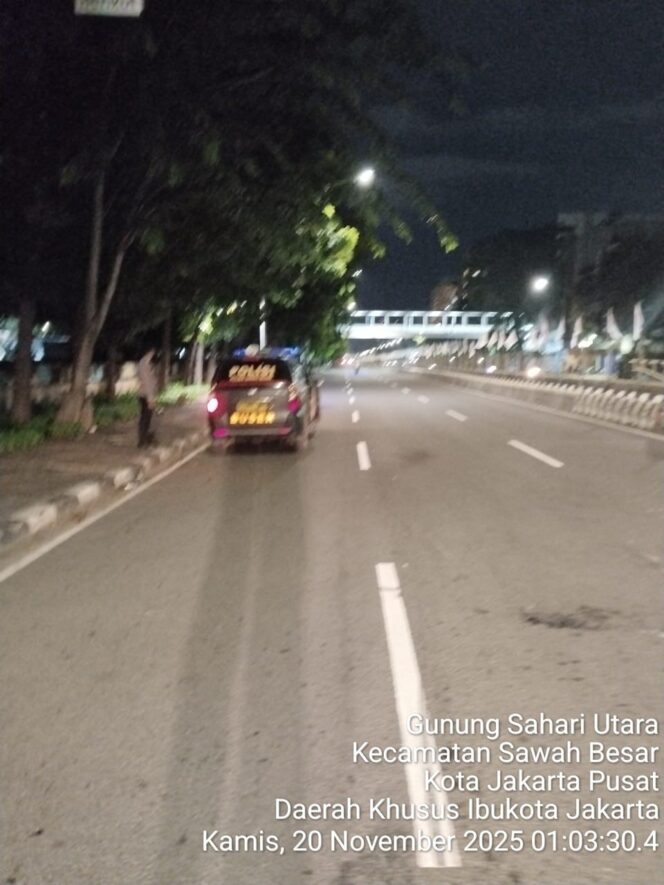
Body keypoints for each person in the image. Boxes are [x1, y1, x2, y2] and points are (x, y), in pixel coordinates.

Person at [137, 347, 158, 447]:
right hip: (146, 395)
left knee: (147, 418)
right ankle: (143, 440)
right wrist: (150, 398)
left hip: (146, 394)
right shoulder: (144, 364)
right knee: (145, 418)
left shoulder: (146, 363)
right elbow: (147, 382)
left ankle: (145, 439)